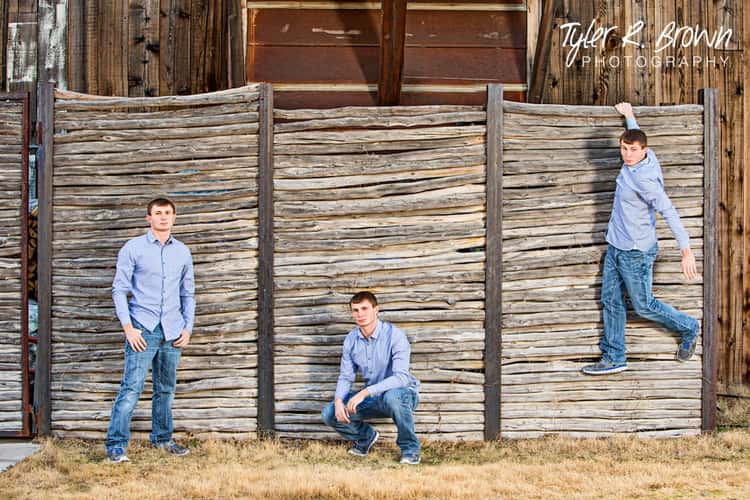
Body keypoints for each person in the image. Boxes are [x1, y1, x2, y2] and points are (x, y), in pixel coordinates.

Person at [582, 102, 701, 376]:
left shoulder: (645, 180)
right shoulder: (647, 156)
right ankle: (614, 357)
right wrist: (630, 117)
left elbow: (668, 211)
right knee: (610, 300)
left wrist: (686, 250)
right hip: (616, 247)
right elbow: (635, 135)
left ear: (643, 151)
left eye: (633, 150)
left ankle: (689, 327)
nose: (627, 154)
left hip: (635, 252)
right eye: (624, 148)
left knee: (644, 305)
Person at [105, 198, 195, 462]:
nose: (163, 217)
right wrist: (128, 328)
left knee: (165, 388)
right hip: (142, 328)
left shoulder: (182, 252)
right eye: (158, 213)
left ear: (174, 217)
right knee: (131, 387)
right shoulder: (133, 248)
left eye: (167, 213)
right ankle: (116, 444)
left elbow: (188, 293)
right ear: (148, 218)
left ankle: (163, 439)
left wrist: (188, 327)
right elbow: (119, 289)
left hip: (173, 330)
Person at [321, 291, 421, 464]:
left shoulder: (395, 335)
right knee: (329, 413)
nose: (360, 314)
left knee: (393, 397)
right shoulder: (351, 340)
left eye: (365, 308)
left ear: (376, 309)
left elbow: (402, 377)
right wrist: (338, 401)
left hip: (403, 395)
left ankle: (410, 450)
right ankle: (365, 437)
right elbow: (346, 376)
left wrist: (364, 393)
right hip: (373, 398)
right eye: (355, 310)